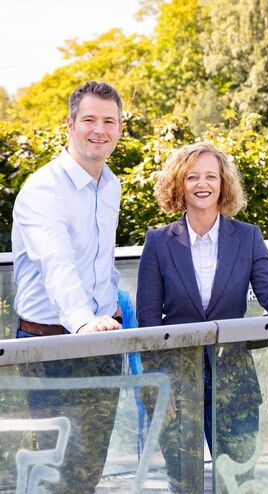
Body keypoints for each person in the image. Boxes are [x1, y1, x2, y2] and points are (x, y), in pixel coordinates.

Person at [136, 142, 268, 491]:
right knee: (184, 483)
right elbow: (148, 322)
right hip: (177, 383)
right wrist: (158, 383)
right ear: (179, 184)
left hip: (233, 381)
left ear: (223, 183)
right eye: (191, 176)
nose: (201, 183)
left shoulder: (247, 237)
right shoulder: (158, 243)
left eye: (210, 175)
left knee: (238, 483)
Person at [12, 81, 124, 493]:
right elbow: (56, 266)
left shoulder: (110, 184)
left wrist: (110, 318)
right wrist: (84, 323)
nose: (100, 129)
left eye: (109, 121)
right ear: (70, 124)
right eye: (90, 119)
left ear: (120, 128)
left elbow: (102, 263)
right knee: (55, 474)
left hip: (103, 343)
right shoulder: (44, 189)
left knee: (91, 467)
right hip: (52, 348)